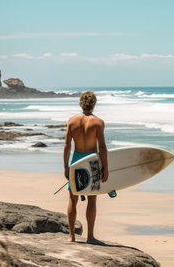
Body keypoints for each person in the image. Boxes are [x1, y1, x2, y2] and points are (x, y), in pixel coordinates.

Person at [63, 91, 109, 243]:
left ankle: (71, 236)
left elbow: (67, 146)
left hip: (76, 160)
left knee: (72, 198)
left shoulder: (72, 121)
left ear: (80, 103)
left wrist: (65, 167)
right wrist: (105, 168)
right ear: (94, 104)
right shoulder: (98, 123)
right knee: (92, 200)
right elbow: (102, 147)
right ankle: (90, 237)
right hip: (92, 161)